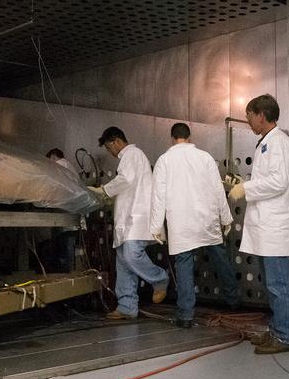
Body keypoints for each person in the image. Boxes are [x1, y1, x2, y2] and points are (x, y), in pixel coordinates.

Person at [227, 95, 289, 354]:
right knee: (272, 282)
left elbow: (279, 182)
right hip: (268, 227)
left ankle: (284, 337)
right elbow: (270, 180)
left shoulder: (278, 143)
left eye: (249, 115)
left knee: (279, 283)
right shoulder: (267, 144)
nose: (248, 120)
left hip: (277, 227)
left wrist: (245, 188)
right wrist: (243, 183)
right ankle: (276, 330)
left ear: (262, 114)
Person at [148, 123, 240, 328]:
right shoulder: (205, 157)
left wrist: (156, 227)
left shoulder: (164, 160)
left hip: (181, 223)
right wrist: (226, 218)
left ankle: (186, 315)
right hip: (207, 219)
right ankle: (233, 301)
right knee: (220, 258)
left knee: (184, 265)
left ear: (172, 138)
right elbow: (218, 190)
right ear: (189, 137)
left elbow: (158, 196)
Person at [91, 127, 168, 320]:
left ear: (116, 141)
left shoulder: (131, 153)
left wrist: (104, 190)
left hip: (137, 217)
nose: (111, 152)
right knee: (124, 263)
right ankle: (127, 305)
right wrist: (110, 195)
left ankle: (159, 278)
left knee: (132, 255)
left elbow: (126, 179)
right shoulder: (132, 158)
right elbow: (128, 185)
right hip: (127, 219)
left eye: (109, 148)